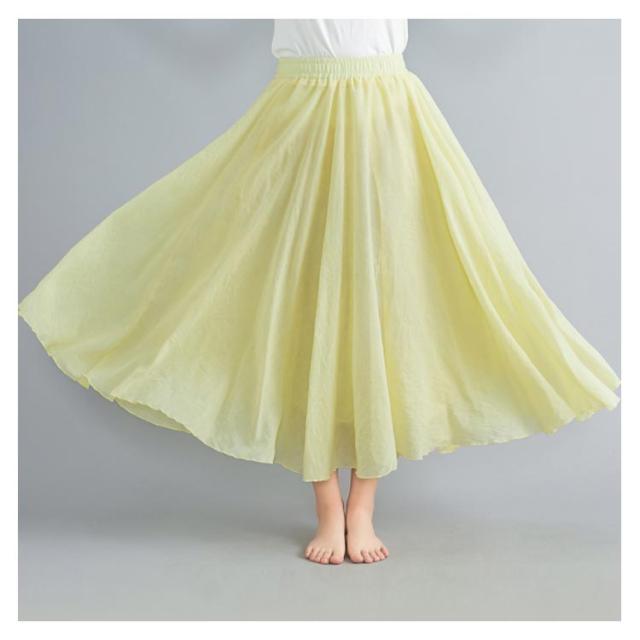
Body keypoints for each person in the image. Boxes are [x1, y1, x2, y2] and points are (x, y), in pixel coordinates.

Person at [18, 19, 621, 566]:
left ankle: (363, 504)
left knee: (389, 301)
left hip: (387, 118)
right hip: (298, 117)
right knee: (304, 305)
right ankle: (328, 504)